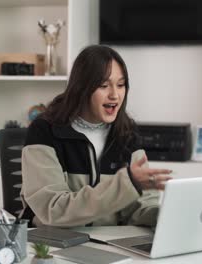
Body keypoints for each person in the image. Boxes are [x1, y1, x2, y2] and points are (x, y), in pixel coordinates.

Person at [20, 45, 172, 227]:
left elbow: (138, 210)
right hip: (53, 244)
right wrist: (127, 184)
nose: (115, 95)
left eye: (121, 85)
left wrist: (165, 217)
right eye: (104, 85)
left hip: (109, 246)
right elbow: (54, 210)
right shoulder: (45, 130)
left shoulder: (127, 133)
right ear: (82, 88)